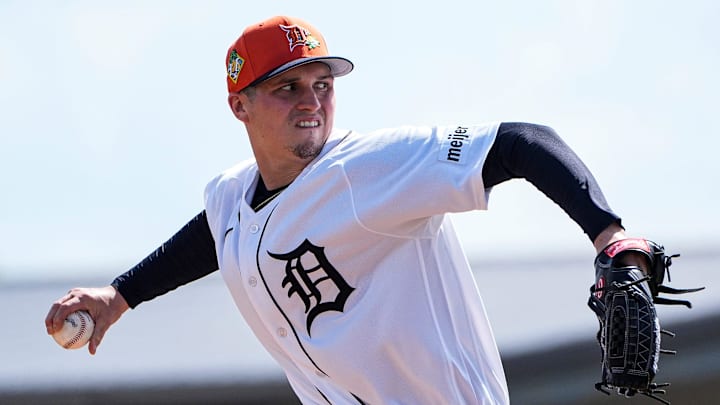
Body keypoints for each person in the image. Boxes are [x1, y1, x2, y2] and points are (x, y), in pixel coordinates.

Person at [45, 15, 651, 404]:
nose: (311, 100)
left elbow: (520, 140)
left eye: (322, 85)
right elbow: (215, 232)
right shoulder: (232, 195)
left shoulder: (371, 168)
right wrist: (119, 296)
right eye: (287, 87)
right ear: (241, 106)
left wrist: (610, 237)